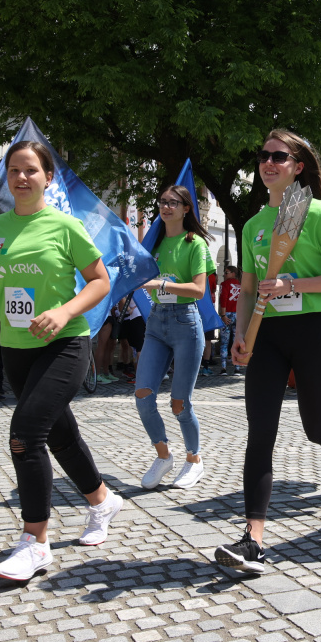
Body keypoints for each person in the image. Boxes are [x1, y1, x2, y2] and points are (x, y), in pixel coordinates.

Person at [0, 140, 124, 581]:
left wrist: (64, 311)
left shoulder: (65, 226)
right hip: (15, 348)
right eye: (13, 170)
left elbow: (100, 281)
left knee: (26, 435)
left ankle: (35, 543)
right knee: (61, 435)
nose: (21, 177)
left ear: (48, 178)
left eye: (30, 170)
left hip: (65, 343)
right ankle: (102, 501)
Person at [214, 130, 321, 574]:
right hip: (268, 335)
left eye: (279, 156)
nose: (269, 162)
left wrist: (292, 284)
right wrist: (241, 334)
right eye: (263, 155)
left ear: (297, 167)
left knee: (316, 427)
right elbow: (249, 289)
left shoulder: (316, 213)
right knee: (261, 433)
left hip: (313, 329)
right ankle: (253, 539)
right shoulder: (254, 225)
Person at [134, 184, 215, 490]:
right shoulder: (152, 243)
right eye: (162, 202)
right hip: (156, 323)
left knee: (179, 403)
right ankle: (163, 456)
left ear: (186, 209)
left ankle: (194, 459)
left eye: (173, 202)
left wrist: (161, 284)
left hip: (186, 323)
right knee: (143, 396)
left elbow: (199, 290)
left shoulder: (194, 243)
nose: (166, 207)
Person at [218, 265, 241, 374]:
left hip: (227, 314)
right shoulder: (241, 285)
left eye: (226, 272)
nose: (224, 274)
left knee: (224, 342)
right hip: (238, 315)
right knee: (237, 341)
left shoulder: (225, 284)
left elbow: (223, 300)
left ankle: (224, 368)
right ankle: (237, 368)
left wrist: (223, 315)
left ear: (233, 273)